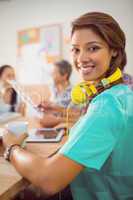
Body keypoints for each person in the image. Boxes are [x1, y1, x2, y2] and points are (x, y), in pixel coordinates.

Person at [2, 11, 133, 200]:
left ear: (114, 50)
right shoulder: (121, 91)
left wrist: (12, 147)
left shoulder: (107, 105)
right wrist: (60, 110)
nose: (81, 58)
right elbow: (101, 123)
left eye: (93, 48)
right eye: (76, 49)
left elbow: (49, 180)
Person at [38, 59, 80, 128]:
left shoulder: (75, 92)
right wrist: (48, 105)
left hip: (65, 124)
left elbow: (77, 115)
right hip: (52, 121)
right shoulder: (54, 89)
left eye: (54, 73)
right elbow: (54, 107)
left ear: (64, 75)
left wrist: (55, 109)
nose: (51, 75)